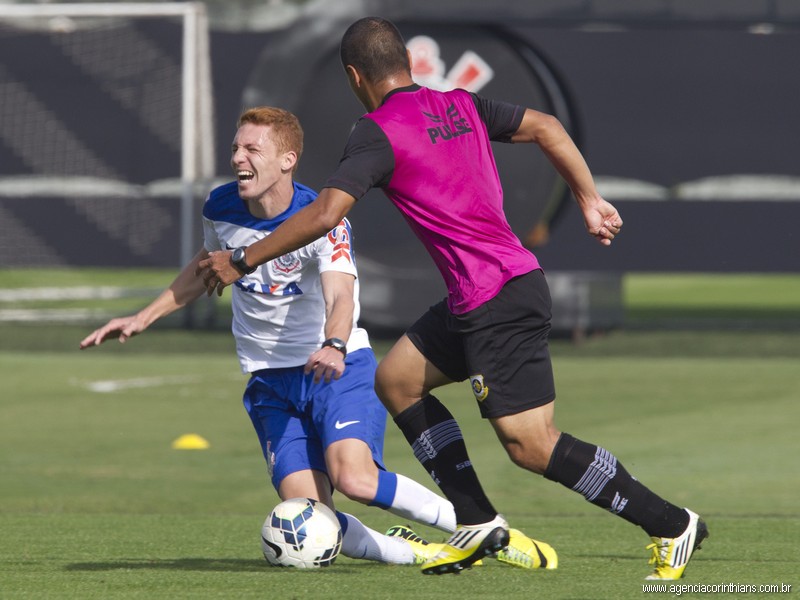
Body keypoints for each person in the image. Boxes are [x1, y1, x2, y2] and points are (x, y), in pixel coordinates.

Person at [196, 19, 707, 580]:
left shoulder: (376, 130)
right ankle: (477, 518)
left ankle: (669, 523)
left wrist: (242, 259)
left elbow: (324, 214)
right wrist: (588, 199)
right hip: (479, 295)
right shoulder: (459, 104)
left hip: (500, 296)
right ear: (408, 63)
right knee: (395, 381)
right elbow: (547, 125)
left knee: (530, 445)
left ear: (353, 76)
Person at [79, 106, 549, 570]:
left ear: (288, 160)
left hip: (336, 368)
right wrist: (144, 316)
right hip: (268, 382)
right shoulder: (219, 207)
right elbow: (206, 266)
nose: (238, 158)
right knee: (313, 518)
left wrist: (335, 344)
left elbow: (340, 296)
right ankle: (413, 552)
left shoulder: (322, 217)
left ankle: (486, 530)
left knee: (357, 480)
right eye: (235, 148)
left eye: (251, 149)